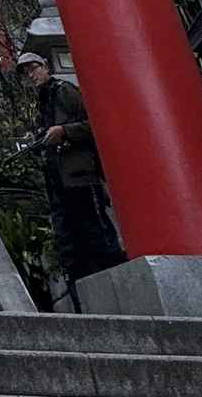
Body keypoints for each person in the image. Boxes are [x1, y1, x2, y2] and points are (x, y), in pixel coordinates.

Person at [17, 51, 125, 302]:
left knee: (96, 233)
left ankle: (114, 288)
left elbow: (96, 123)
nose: (31, 75)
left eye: (33, 68)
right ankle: (81, 298)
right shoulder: (42, 101)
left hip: (79, 176)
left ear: (45, 65)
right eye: (26, 73)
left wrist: (64, 131)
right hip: (58, 179)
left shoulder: (64, 91)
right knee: (68, 241)